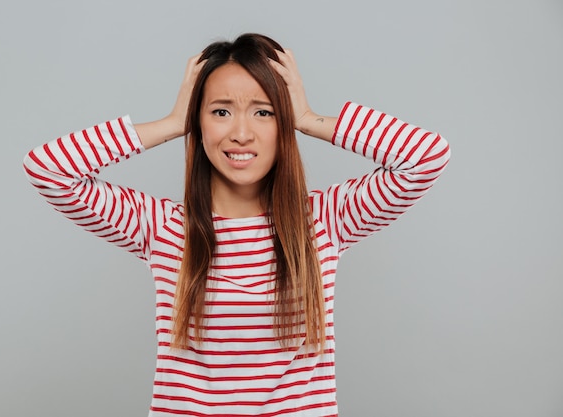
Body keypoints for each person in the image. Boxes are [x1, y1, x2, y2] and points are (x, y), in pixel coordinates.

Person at [23, 33, 450, 416]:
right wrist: (174, 123)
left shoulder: (325, 221)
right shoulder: (163, 228)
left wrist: (306, 118)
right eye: (221, 111)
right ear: (200, 120)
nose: (241, 133)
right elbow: (47, 169)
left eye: (263, 112)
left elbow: (426, 157)